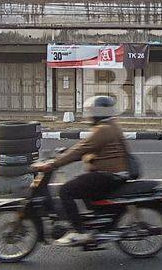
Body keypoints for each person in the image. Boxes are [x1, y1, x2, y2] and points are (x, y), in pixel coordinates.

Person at [32, 96, 130, 246]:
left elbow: (81, 149)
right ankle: (92, 224)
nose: (89, 115)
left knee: (66, 190)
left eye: (91, 112)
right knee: (82, 183)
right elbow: (86, 148)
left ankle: (79, 232)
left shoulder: (103, 130)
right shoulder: (111, 125)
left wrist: (53, 164)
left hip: (108, 174)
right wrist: (65, 153)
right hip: (114, 173)